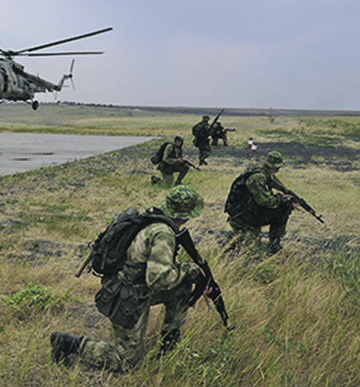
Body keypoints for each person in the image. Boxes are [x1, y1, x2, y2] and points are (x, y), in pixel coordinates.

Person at [50, 186, 206, 371]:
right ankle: (68, 343)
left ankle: (169, 341)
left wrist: (188, 276)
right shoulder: (163, 233)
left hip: (138, 287)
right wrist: (188, 269)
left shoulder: (153, 218)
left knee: (183, 286)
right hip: (127, 295)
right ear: (187, 215)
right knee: (126, 363)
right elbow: (158, 279)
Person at [224, 151, 297, 254]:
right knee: (254, 253)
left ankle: (274, 244)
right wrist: (281, 198)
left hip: (252, 212)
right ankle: (238, 236)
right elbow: (266, 201)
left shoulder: (266, 175)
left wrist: (286, 202)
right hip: (243, 217)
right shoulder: (258, 177)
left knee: (284, 208)